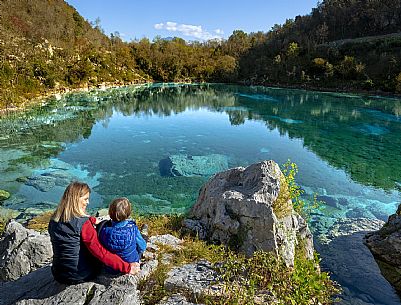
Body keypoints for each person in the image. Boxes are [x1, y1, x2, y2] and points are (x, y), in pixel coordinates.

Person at [48, 182, 139, 284]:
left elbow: (72, 223)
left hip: (58, 273)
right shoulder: (84, 224)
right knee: (101, 230)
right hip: (79, 274)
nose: (88, 202)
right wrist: (127, 267)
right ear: (75, 199)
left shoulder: (54, 220)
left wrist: (91, 219)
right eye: (85, 199)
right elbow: (100, 253)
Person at [98, 198, 147, 266]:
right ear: (128, 213)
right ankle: (144, 233)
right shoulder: (132, 228)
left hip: (111, 267)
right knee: (143, 238)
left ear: (110, 212)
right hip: (131, 264)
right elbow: (142, 247)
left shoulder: (104, 230)